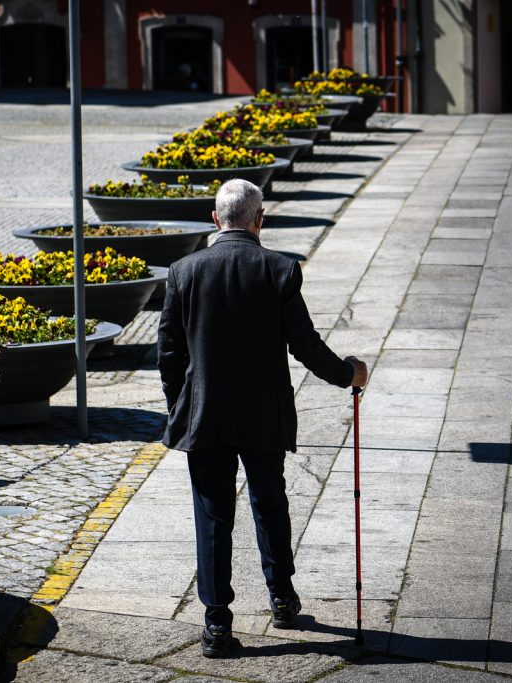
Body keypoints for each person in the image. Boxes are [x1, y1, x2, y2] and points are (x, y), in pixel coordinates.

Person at [157, 178, 368, 658]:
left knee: (213, 519)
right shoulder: (279, 269)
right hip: (263, 416)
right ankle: (282, 597)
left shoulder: (184, 271)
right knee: (270, 504)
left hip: (204, 415)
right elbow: (305, 344)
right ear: (260, 220)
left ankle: (215, 625)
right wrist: (347, 375)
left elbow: (168, 353)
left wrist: (180, 406)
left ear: (216, 220)